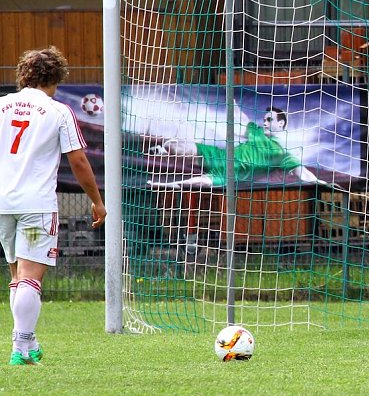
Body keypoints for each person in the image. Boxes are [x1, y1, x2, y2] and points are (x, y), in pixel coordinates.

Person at [0, 47, 107, 365]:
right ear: (57, 77)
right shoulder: (59, 112)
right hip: (36, 204)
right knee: (31, 277)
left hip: (3, 202)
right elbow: (78, 160)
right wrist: (97, 201)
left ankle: (28, 341)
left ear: (23, 75)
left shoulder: (1, 106)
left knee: (18, 275)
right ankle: (20, 348)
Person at [147, 106, 320, 189]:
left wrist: (320, 182)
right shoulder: (256, 132)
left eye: (269, 120)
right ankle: (163, 148)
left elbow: (301, 171)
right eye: (265, 119)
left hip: (230, 174)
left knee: (199, 183)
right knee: (178, 147)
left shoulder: (281, 153)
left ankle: (165, 184)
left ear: (281, 123)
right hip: (219, 156)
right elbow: (241, 119)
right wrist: (233, 102)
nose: (265, 122)